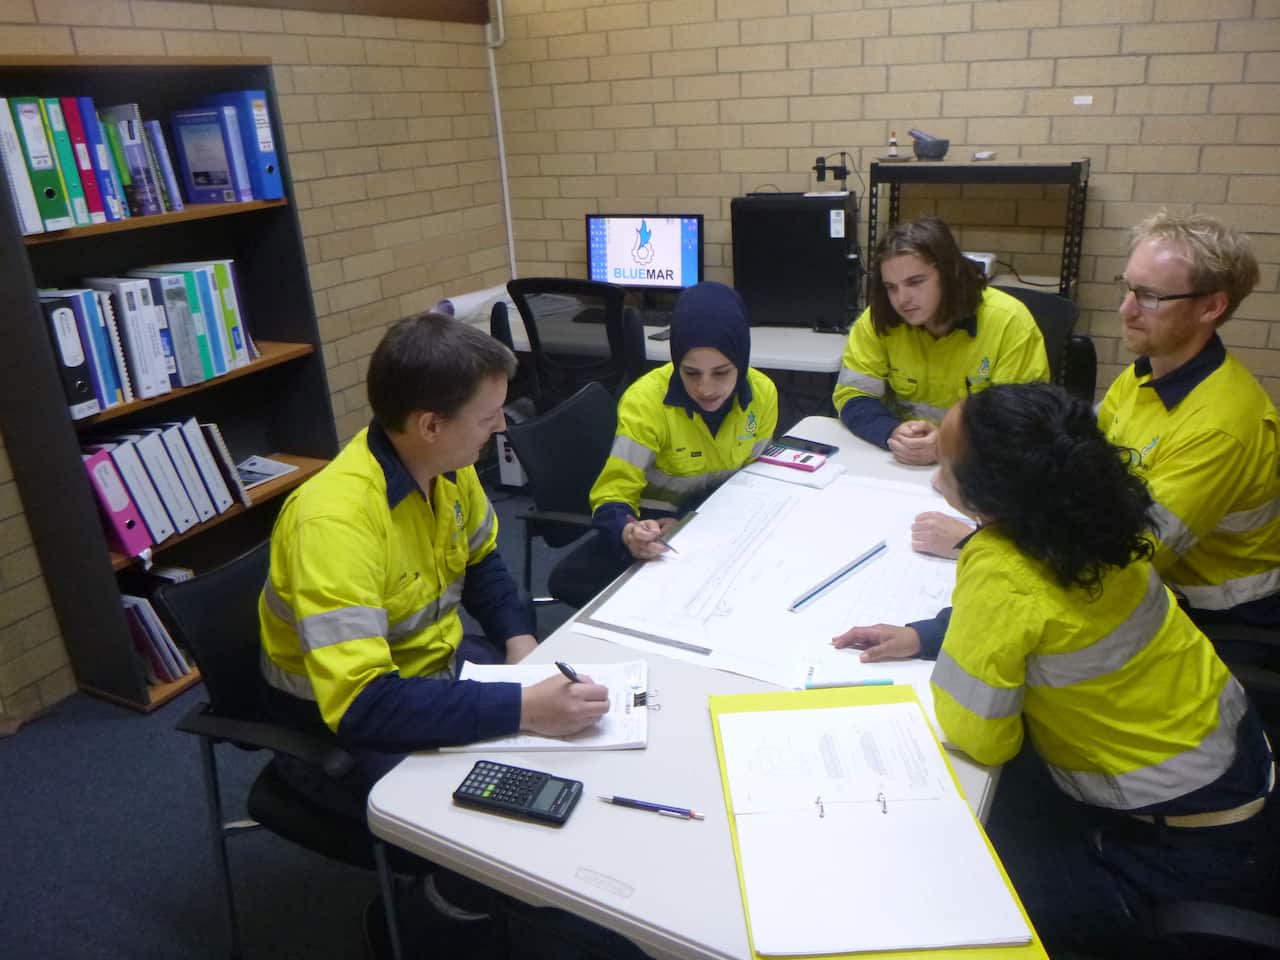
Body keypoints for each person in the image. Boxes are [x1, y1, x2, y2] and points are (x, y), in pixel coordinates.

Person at [832, 383, 1278, 958]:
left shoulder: (998, 566)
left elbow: (981, 736)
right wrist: (932, 633)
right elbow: (1063, 621)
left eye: (948, 452)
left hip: (1171, 853)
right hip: (1238, 779)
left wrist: (974, 634)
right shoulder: (1102, 518)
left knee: (938, 893)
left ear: (985, 494)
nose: (938, 452)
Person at [258, 312, 610, 813]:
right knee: (497, 810)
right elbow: (364, 705)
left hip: (432, 669)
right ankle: (439, 892)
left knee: (570, 750)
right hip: (347, 718)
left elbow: (483, 563)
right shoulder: (335, 522)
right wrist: (523, 708)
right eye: (489, 416)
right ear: (430, 425)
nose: (501, 426)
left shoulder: (447, 468)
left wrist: (519, 643)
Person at [547, 281, 779, 608]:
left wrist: (688, 518)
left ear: (742, 360)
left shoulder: (763, 394)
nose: (706, 388)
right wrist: (629, 532)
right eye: (691, 372)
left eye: (722, 372)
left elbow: (749, 480)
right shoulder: (645, 404)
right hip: (653, 532)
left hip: (717, 520)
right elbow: (612, 496)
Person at [1099, 210, 1280, 628]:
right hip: (1157, 579)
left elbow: (1129, 554)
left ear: (1211, 307)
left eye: (1149, 296)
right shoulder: (1146, 371)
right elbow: (1085, 466)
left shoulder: (1221, 424)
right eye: (1126, 288)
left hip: (1221, 615)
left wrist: (980, 540)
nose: (1126, 310)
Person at [832, 216, 1049, 466]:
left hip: (980, 467)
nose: (902, 299)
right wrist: (892, 432)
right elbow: (852, 394)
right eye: (891, 287)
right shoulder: (878, 319)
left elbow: (1019, 425)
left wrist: (947, 446)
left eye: (915, 282)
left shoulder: (1010, 322)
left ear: (949, 274)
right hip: (900, 463)